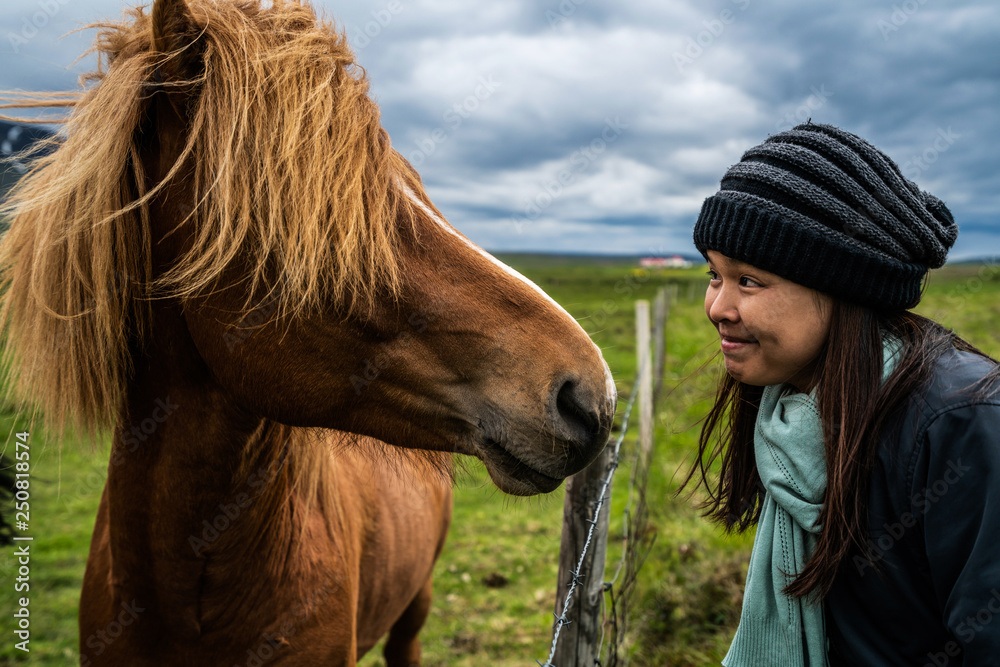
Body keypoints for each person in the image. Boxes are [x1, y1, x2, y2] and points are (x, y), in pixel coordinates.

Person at [683, 122, 1000, 666]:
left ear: (842, 288)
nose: (718, 307)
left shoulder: (965, 425)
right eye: (715, 275)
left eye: (749, 281)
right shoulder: (791, 412)